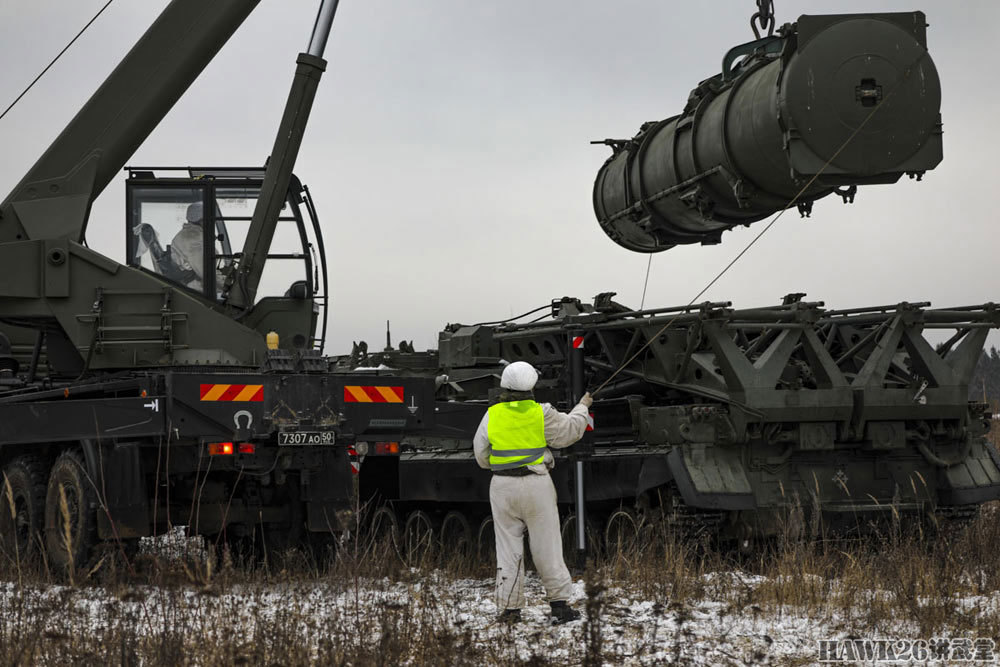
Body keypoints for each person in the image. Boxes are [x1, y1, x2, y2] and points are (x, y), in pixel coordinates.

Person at [473, 360, 593, 625]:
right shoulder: (542, 412)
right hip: (537, 483)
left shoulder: (492, 415)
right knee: (547, 545)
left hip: (502, 486)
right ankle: (560, 606)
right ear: (532, 386)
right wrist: (582, 407)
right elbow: (568, 432)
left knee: (508, 549)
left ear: (505, 385)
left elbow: (481, 455)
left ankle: (510, 610)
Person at [170, 202, 207, 290]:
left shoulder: (186, 234)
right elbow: (206, 273)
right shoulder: (194, 239)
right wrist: (225, 282)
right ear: (202, 220)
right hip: (195, 288)